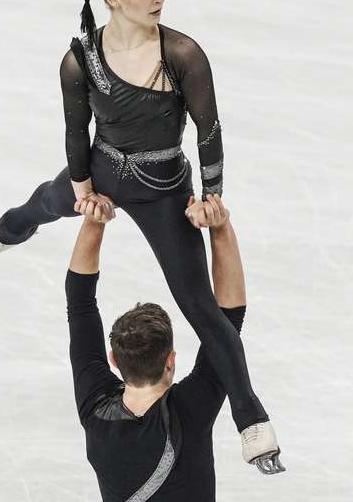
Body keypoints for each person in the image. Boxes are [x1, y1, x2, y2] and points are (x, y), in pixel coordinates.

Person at [0, 0, 280, 467]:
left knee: (198, 303)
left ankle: (252, 418)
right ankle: (5, 232)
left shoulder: (183, 54)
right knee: (42, 203)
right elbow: (75, 129)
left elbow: (209, 131)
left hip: (164, 185)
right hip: (102, 170)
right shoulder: (81, 58)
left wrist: (210, 198)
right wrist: (81, 185)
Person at [66, 194, 285, 501]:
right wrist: (219, 227)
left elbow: (80, 306)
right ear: (170, 360)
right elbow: (226, 324)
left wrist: (94, 219)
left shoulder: (96, 408)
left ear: (114, 359)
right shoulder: (190, 410)